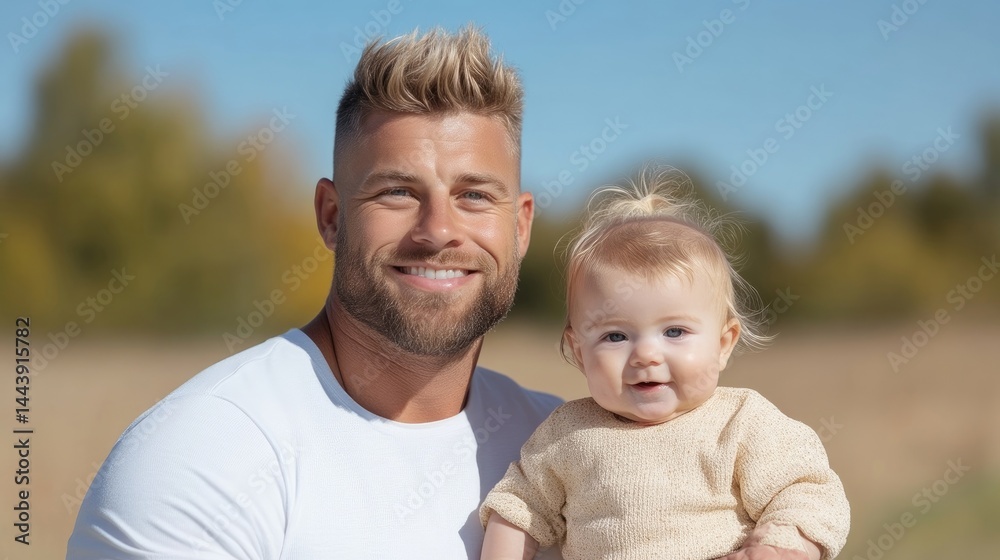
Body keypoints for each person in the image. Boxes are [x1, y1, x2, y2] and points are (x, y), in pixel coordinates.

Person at [67, 26, 563, 559]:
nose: (437, 230)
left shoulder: (564, 445)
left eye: (474, 195)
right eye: (397, 192)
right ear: (331, 216)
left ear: (520, 227)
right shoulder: (200, 457)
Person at [479, 166, 851, 560]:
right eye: (616, 336)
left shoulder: (740, 422)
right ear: (579, 352)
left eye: (674, 332)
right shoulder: (566, 434)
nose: (646, 355)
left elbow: (806, 489)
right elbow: (517, 509)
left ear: (724, 344)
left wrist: (779, 548)